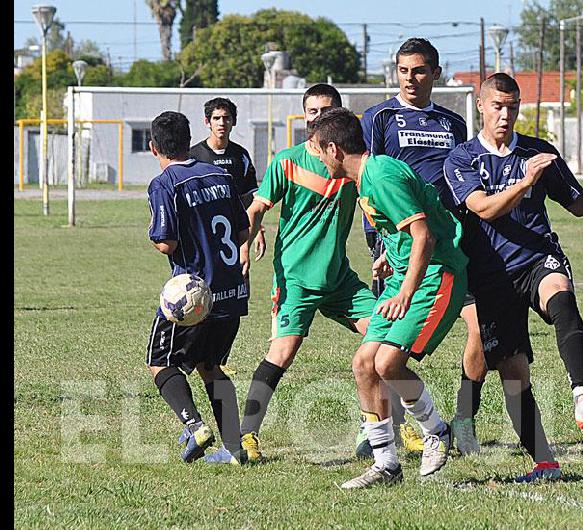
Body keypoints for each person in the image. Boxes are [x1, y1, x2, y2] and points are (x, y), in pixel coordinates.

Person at [443, 73, 583, 481]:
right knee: (514, 375)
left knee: (561, 295)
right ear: (480, 106)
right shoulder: (461, 159)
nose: (506, 115)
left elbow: (580, 203)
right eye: (498, 106)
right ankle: (545, 462)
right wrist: (525, 181)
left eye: (513, 107)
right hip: (492, 277)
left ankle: (582, 396)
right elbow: (483, 208)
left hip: (537, 259)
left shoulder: (539, 152)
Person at [314, 107, 468, 489]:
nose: (316, 157)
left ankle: (437, 431)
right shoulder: (367, 177)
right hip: (407, 272)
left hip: (435, 276)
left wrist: (405, 291)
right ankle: (386, 464)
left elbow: (425, 236)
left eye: (318, 150)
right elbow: (413, 226)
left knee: (387, 364)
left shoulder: (379, 176)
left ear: (334, 149)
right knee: (364, 363)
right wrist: (390, 256)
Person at [357, 37, 485, 456]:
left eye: (419, 70)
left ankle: (463, 422)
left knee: (480, 329)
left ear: (436, 73)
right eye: (403, 70)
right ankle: (385, 435)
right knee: (384, 354)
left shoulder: (453, 124)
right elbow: (369, 188)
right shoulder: (379, 118)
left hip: (449, 247)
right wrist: (377, 246)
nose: (411, 79)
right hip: (402, 251)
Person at [237, 84, 377, 464]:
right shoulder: (287, 161)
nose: (318, 116)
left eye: (326, 109)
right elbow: (257, 207)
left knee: (386, 338)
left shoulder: (353, 161)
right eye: (312, 111)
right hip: (296, 278)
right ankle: (245, 435)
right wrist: (246, 243)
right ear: (304, 117)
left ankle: (380, 428)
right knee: (282, 353)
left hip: (338, 278)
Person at [146, 111, 251, 465]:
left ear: (153, 147)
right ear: (190, 139)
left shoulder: (165, 183)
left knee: (160, 363)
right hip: (233, 291)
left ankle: (194, 427)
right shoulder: (221, 174)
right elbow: (241, 231)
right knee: (210, 366)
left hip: (195, 296)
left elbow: (166, 243)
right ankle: (234, 451)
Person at [189, 97, 266, 373]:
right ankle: (199, 354)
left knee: (235, 296)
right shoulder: (194, 156)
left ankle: (219, 357)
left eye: (227, 118)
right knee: (201, 293)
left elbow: (250, 198)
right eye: (217, 118)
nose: (222, 123)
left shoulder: (241, 156)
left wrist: (258, 231)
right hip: (204, 240)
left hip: (236, 237)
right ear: (207, 122)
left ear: (233, 121)